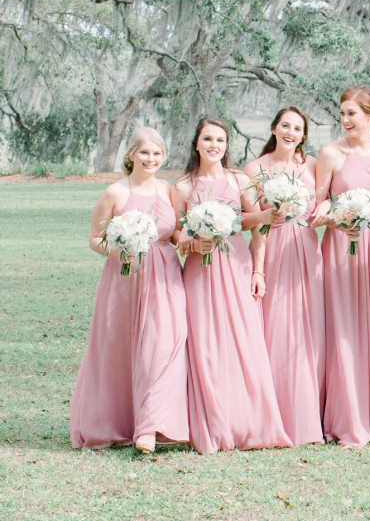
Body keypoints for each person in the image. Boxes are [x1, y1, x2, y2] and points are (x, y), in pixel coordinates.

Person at [173, 118, 290, 453]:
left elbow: (255, 224)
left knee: (244, 340)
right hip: (200, 270)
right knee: (205, 343)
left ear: (227, 146)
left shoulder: (239, 180)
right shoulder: (183, 186)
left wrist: (258, 271)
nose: (214, 145)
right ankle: (212, 424)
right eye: (207, 139)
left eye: (220, 140)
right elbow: (175, 234)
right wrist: (194, 242)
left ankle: (249, 423)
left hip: (237, 265)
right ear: (196, 144)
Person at [71, 127, 188, 453]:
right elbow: (95, 239)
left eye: (157, 153)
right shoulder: (115, 193)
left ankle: (152, 427)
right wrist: (123, 250)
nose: (151, 159)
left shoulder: (167, 189)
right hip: (126, 278)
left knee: (167, 343)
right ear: (131, 155)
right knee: (122, 348)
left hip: (166, 276)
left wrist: (194, 239)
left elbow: (175, 232)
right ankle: (124, 423)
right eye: (145, 152)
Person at [313, 85, 370, 447]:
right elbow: (316, 210)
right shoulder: (331, 153)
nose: (346, 120)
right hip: (338, 249)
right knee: (342, 329)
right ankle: (343, 419)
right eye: (343, 113)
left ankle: (367, 413)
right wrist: (337, 218)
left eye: (352, 113)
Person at [244, 106, 324, 447]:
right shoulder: (254, 169)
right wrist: (258, 269)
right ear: (274, 129)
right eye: (285, 125)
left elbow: (326, 201)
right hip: (273, 249)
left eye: (298, 128)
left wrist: (327, 208)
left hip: (307, 249)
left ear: (304, 135)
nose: (291, 132)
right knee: (275, 327)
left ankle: (309, 413)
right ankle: (274, 414)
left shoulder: (313, 166)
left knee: (309, 329)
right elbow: (255, 223)